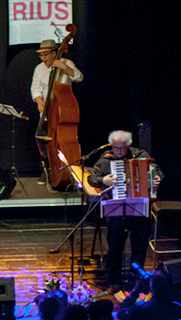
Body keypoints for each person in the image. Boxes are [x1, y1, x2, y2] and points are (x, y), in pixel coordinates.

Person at [87, 130, 163, 293]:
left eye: (122, 148)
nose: (119, 151)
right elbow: (91, 178)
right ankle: (113, 280)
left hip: (139, 207)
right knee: (114, 245)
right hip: (117, 208)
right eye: (116, 148)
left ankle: (136, 279)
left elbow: (157, 171)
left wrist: (157, 179)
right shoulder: (106, 159)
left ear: (128, 145)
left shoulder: (140, 155)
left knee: (139, 246)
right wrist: (103, 180)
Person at [30, 39, 83, 185]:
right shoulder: (39, 69)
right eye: (41, 55)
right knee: (44, 142)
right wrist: (39, 101)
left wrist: (64, 67)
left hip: (63, 111)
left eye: (45, 55)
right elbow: (35, 88)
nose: (43, 58)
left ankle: (69, 172)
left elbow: (78, 77)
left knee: (63, 143)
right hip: (47, 112)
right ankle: (47, 170)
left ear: (54, 53)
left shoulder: (66, 63)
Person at [117, 267, 181, 320]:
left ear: (151, 286)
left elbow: (120, 314)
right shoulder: (176, 308)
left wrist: (136, 291)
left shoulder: (140, 309)